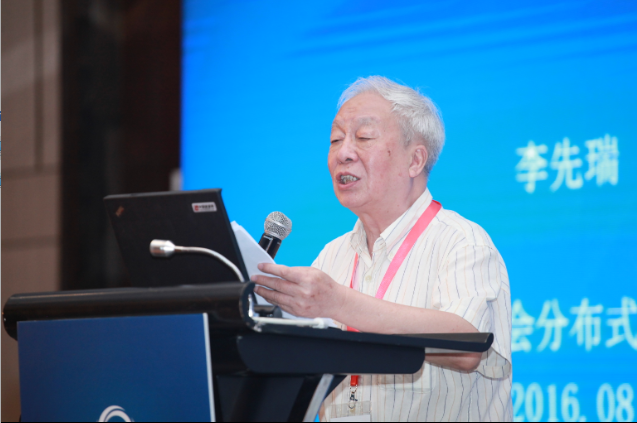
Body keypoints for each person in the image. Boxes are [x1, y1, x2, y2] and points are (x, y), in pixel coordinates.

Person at [252, 76, 512, 422]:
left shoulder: (462, 241)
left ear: (415, 161)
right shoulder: (331, 256)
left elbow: (466, 346)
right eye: (335, 139)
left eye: (363, 137)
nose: (343, 153)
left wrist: (337, 302)